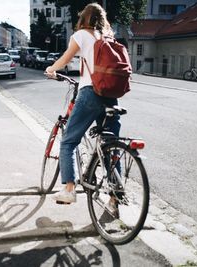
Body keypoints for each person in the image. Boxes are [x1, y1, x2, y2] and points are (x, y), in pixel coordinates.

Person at [45, 3, 121, 204]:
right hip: (111, 95)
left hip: (90, 93)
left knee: (69, 141)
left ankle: (69, 190)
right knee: (110, 145)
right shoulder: (107, 38)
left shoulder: (81, 36)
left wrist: (52, 69)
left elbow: (65, 58)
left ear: (83, 19)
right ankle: (115, 196)